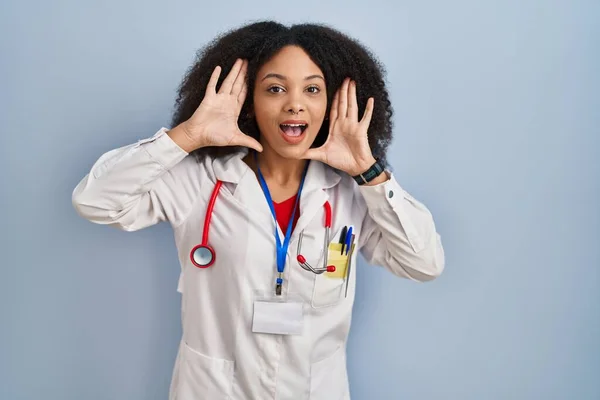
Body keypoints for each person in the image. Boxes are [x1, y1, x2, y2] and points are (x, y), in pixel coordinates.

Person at [72, 20, 445, 400]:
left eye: (312, 89)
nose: (294, 103)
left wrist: (370, 172)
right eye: (275, 89)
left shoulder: (353, 193)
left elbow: (424, 263)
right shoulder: (200, 182)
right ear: (250, 101)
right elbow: (94, 201)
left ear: (332, 104)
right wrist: (187, 135)